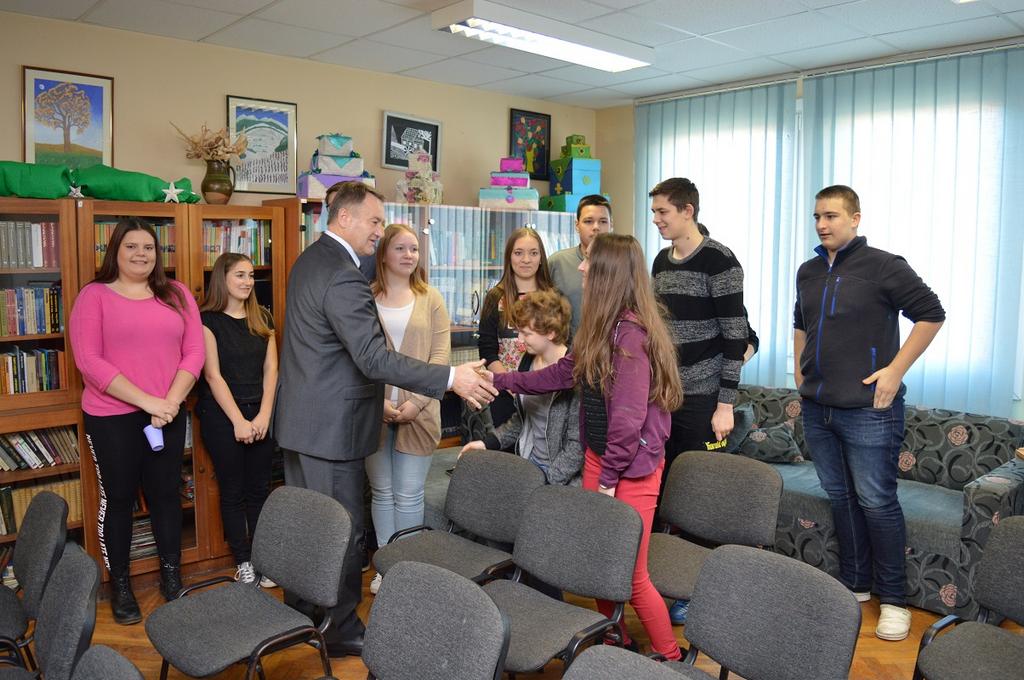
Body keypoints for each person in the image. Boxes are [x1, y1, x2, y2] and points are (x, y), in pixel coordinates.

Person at [273, 181, 495, 658]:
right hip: (331, 429)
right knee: (340, 532)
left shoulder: (310, 260)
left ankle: (304, 612)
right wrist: (450, 377)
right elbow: (373, 358)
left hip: (303, 422)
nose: (380, 231)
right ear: (344, 218)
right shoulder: (343, 275)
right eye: (374, 221)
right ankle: (338, 629)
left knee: (307, 528)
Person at [490, 234, 684, 661]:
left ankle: (670, 658)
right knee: (598, 565)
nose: (580, 266)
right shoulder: (598, 325)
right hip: (602, 459)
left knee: (631, 575)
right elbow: (560, 375)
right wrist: (500, 380)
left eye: (589, 261)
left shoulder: (630, 335)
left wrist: (609, 480)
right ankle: (617, 639)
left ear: (608, 273)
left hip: (630, 469)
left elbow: (628, 421)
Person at [794, 185, 944, 642]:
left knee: (876, 502)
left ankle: (895, 600)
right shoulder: (808, 270)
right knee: (841, 498)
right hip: (818, 407)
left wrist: (895, 371)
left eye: (832, 216)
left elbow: (932, 314)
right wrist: (800, 372)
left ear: (855, 218)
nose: (822, 224)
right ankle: (856, 584)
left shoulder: (884, 265)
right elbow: (800, 322)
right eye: (817, 216)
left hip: (870, 410)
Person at [69, 217, 204, 625]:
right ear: (115, 250)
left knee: (166, 496)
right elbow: (89, 362)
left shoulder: (177, 294)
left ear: (157, 254)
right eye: (131, 246)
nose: (141, 254)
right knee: (119, 499)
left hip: (167, 413)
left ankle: (171, 576)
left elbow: (194, 352)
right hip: (112, 417)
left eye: (148, 247)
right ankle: (121, 586)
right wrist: (150, 402)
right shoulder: (93, 296)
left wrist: (170, 402)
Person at [649, 178, 748, 626]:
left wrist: (724, 405)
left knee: (699, 496)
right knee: (663, 487)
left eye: (663, 212)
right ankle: (662, 579)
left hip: (704, 397)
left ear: (687, 211)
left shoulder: (720, 261)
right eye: (655, 212)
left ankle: (699, 592)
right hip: (663, 394)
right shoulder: (660, 262)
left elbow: (735, 337)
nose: (657, 220)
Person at [365, 224, 451, 596]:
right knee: (382, 492)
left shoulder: (431, 297)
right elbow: (357, 356)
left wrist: (416, 402)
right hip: (373, 411)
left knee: (410, 494)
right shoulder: (366, 297)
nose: (409, 255)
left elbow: (440, 357)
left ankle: (408, 571)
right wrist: (378, 402)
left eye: (414, 249)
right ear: (383, 253)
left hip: (422, 412)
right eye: (400, 248)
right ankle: (386, 568)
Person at [195, 253, 277, 589]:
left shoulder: (262, 317)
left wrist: (264, 415)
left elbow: (272, 369)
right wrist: (239, 422)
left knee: (260, 491)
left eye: (251, 275)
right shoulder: (207, 320)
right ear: (223, 279)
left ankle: (263, 561)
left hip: (260, 413)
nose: (247, 281)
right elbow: (213, 376)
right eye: (240, 275)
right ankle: (243, 562)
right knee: (233, 492)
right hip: (222, 417)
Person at [462, 289, 583, 486]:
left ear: (551, 332)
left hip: (562, 481)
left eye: (527, 333)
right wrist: (487, 443)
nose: (519, 339)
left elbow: (576, 447)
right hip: (531, 466)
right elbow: (523, 419)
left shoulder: (575, 372)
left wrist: (547, 481)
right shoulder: (528, 360)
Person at [477, 226, 556, 430]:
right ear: (509, 258)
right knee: (505, 446)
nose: (526, 260)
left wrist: (536, 384)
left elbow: (561, 347)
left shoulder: (554, 297)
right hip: (504, 393)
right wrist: (511, 384)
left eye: (533, 253)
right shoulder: (495, 297)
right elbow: (487, 350)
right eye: (519, 253)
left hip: (545, 390)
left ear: (541, 258)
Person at [547, 194, 613, 337]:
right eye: (588, 221)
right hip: (567, 347)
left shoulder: (622, 265)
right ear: (577, 225)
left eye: (603, 221)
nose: (596, 227)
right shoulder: (557, 262)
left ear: (611, 225)